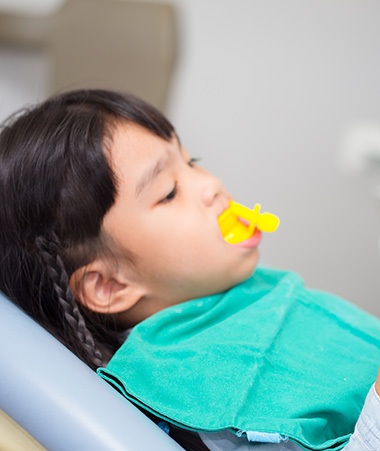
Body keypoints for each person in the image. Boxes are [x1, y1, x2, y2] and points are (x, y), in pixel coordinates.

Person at [0, 89, 379, 451]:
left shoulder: (234, 292)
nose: (211, 184)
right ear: (110, 285)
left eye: (192, 161)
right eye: (169, 192)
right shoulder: (200, 391)